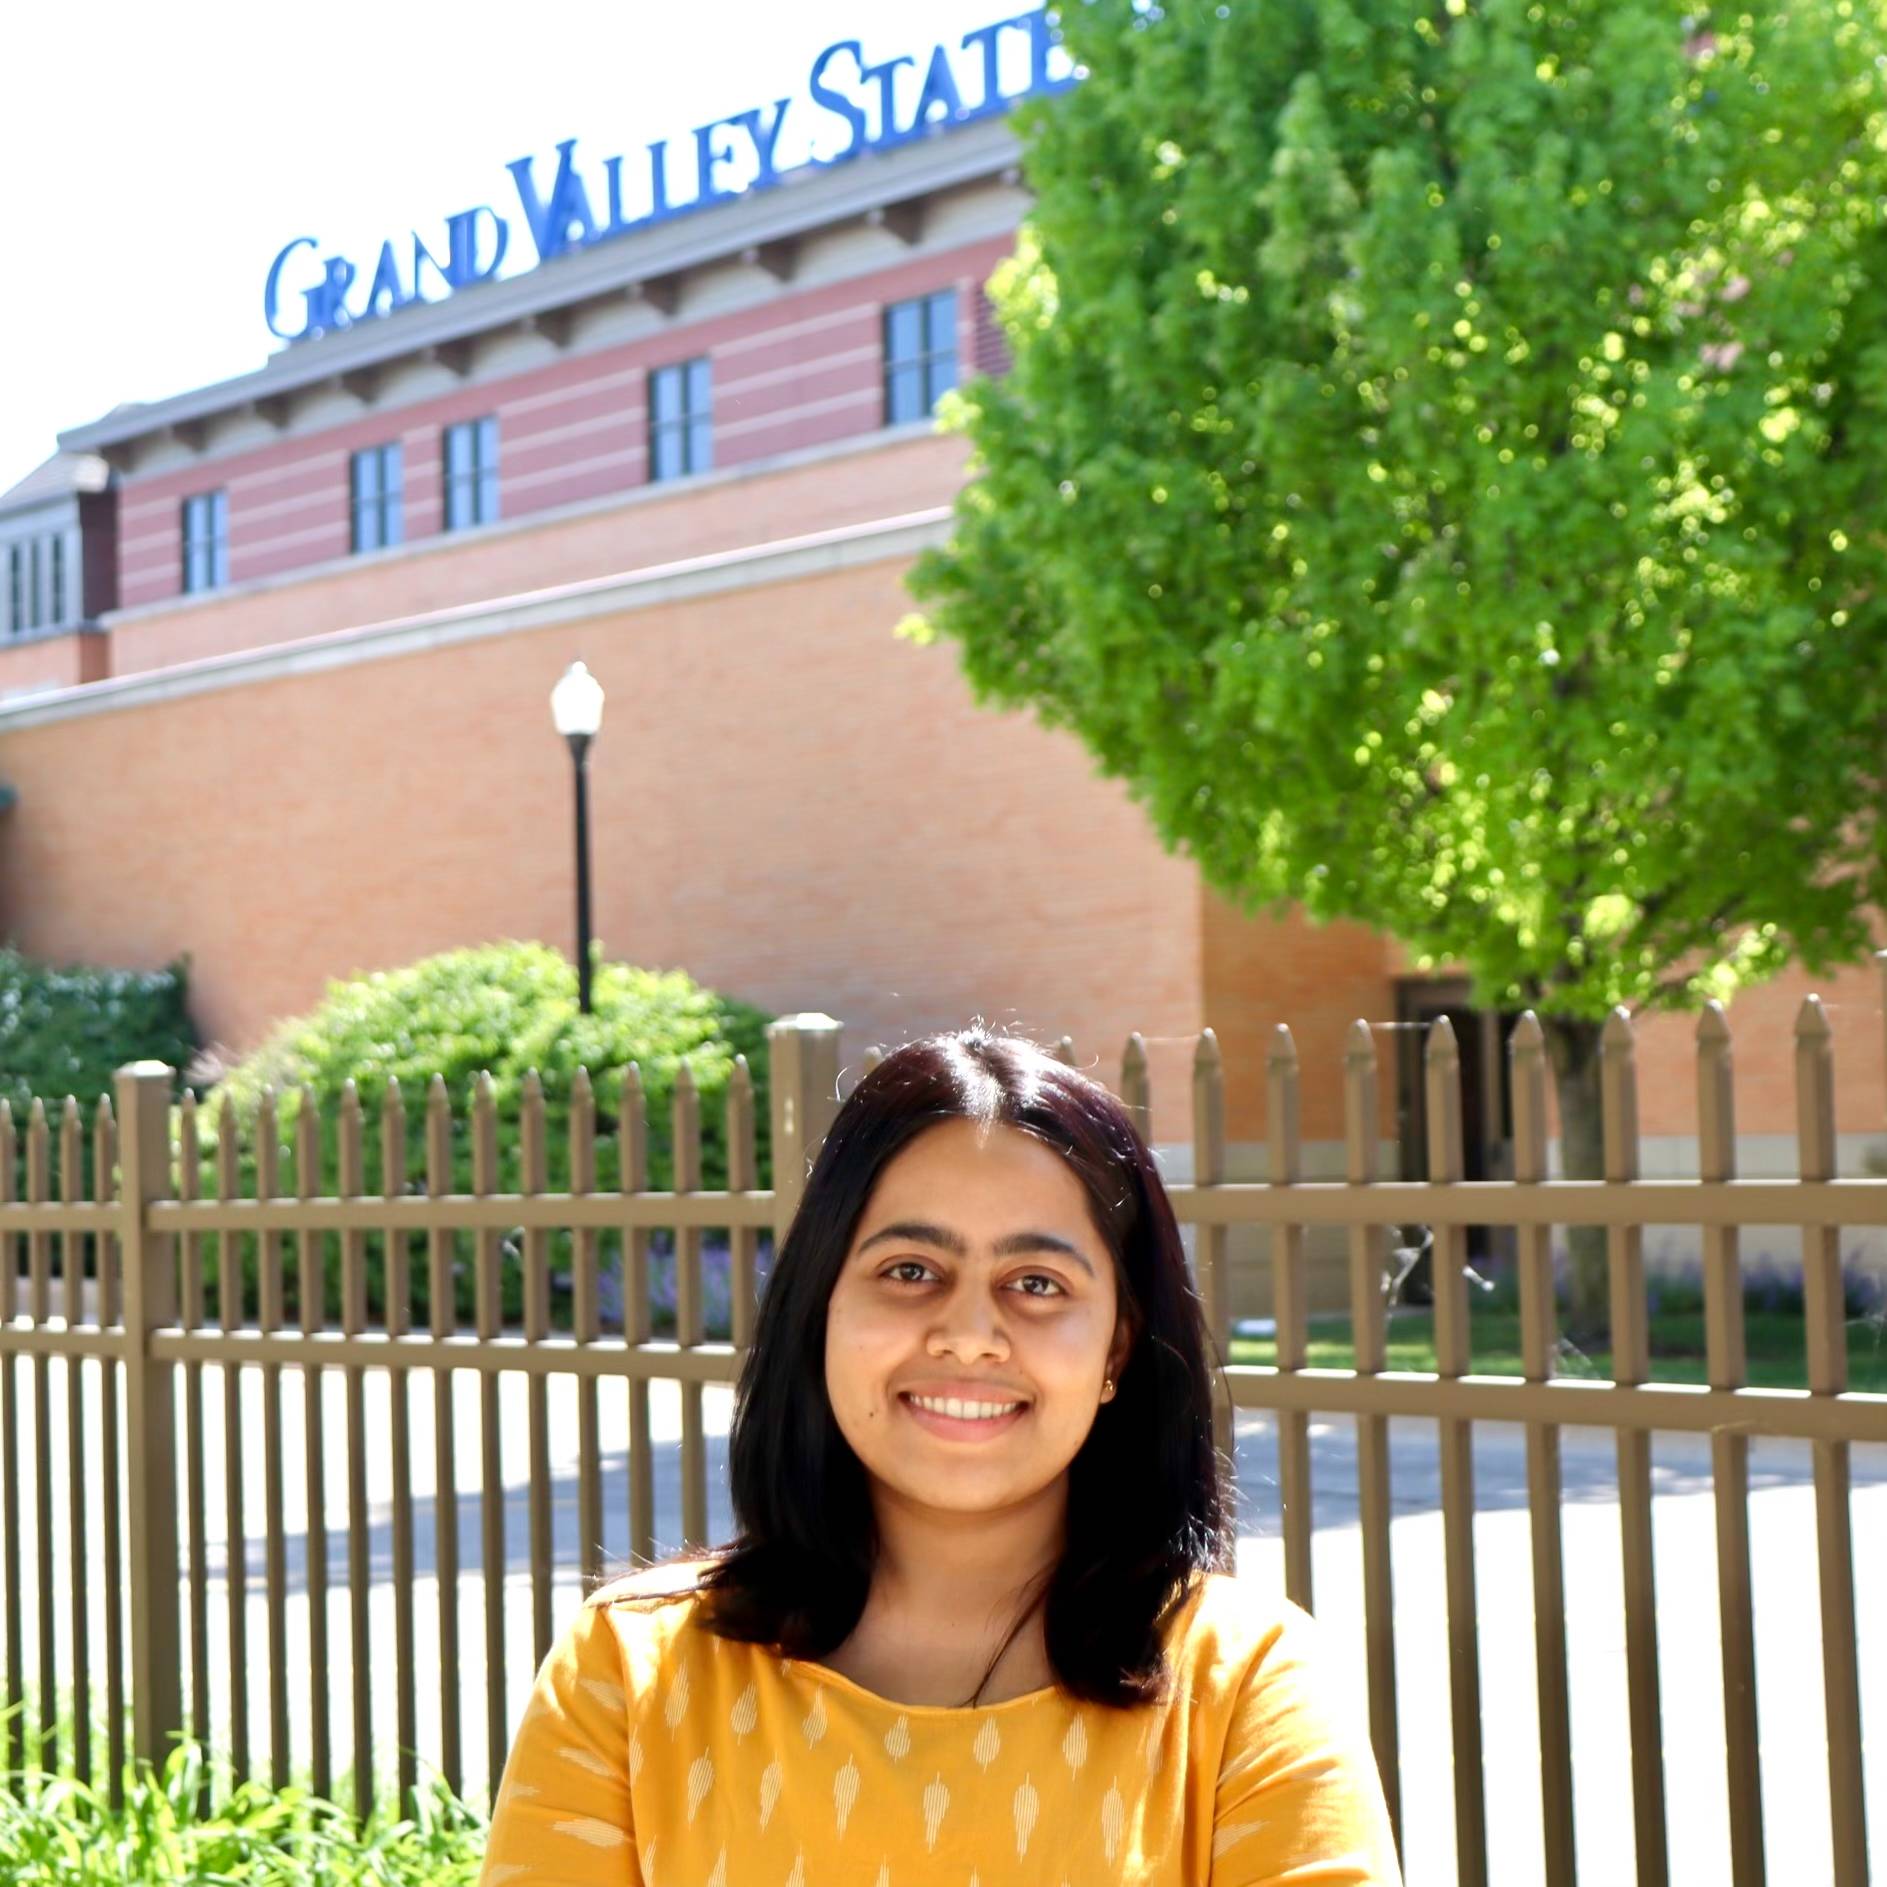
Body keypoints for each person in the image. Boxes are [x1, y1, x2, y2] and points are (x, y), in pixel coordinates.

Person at [480, 1027, 1401, 1885]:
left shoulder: (1244, 1684)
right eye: (910, 1270)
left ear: (1117, 1348)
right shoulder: (629, 1670)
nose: (969, 1336)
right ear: (821, 1313)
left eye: (1035, 1283)